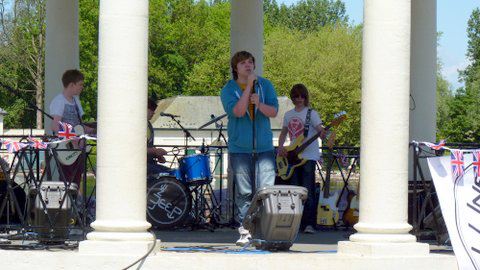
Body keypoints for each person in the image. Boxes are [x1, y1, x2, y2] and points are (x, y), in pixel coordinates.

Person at [220, 51, 279, 246]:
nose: (248, 65)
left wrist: (259, 102)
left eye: (251, 62)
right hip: (240, 148)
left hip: (264, 147)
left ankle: (265, 229)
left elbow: (274, 111)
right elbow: (237, 111)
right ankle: (246, 230)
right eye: (243, 63)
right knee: (244, 192)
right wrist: (248, 89)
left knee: (266, 190)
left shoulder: (266, 85)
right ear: (235, 68)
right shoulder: (228, 89)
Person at [277, 83, 326, 234]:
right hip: (292, 158)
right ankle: (296, 223)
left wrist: (325, 134)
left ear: (305, 97)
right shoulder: (288, 115)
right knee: (294, 192)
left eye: (302, 96)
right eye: (296, 96)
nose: (299, 99)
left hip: (308, 157)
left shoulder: (312, 114)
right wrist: (280, 147)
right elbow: (284, 133)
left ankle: (309, 224)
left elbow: (320, 130)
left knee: (308, 191)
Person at [50, 69, 94, 186]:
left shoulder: (76, 101)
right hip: (66, 147)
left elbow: (78, 124)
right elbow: (55, 126)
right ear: (71, 85)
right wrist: (72, 138)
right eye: (80, 84)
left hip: (78, 146)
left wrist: (93, 129)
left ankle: (75, 202)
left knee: (76, 179)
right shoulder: (59, 101)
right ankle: (67, 203)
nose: (82, 87)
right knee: (67, 179)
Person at [146, 98, 170, 177]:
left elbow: (149, 145)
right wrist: (155, 151)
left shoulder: (149, 125)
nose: (154, 113)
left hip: (149, 162)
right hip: (140, 165)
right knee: (166, 175)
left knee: (170, 172)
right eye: (151, 110)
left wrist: (158, 155)